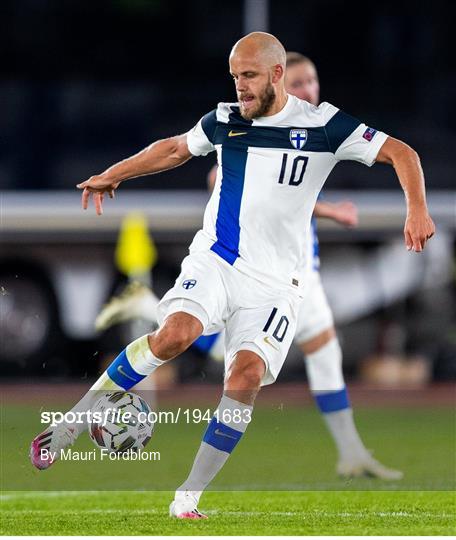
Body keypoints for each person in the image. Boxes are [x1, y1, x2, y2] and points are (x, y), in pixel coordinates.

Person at [30, 33, 435, 519]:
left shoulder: (325, 125)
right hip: (218, 260)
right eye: (234, 76)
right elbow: (175, 149)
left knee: (244, 376)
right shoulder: (224, 120)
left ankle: (188, 496)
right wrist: (115, 173)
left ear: (277, 74)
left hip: (277, 286)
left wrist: (416, 210)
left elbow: (403, 154)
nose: (239, 87)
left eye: (248, 76)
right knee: (174, 336)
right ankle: (67, 429)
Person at [95, 52, 403, 480]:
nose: (307, 89)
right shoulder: (236, 123)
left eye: (312, 81)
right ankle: (152, 315)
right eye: (300, 82)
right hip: (242, 265)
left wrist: (331, 212)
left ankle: (350, 451)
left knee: (315, 354)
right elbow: (209, 166)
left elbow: (295, 190)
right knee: (216, 347)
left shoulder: (322, 127)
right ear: (281, 81)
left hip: (293, 276)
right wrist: (117, 173)